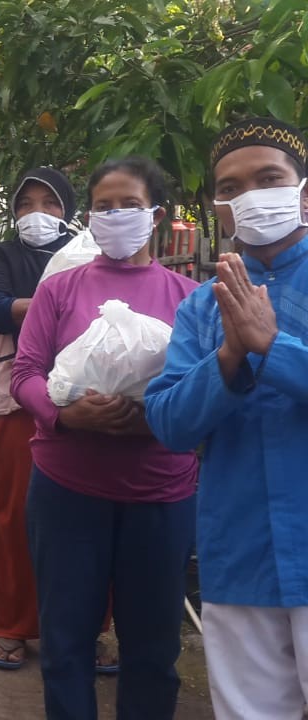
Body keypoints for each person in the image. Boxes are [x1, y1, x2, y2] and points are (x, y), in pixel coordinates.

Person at [12, 157, 199, 719]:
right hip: (68, 489)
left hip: (160, 493)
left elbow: (203, 391)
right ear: (90, 217)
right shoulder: (61, 289)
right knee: (66, 643)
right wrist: (68, 417)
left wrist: (152, 418)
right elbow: (26, 374)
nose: (116, 216)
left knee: (154, 649)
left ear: (157, 216)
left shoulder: (190, 297)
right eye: (105, 206)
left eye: (130, 205)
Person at [145, 117, 308, 720]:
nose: (250, 196)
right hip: (239, 552)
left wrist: (273, 346)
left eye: (268, 178)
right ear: (221, 209)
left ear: (302, 190)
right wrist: (230, 356)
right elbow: (168, 423)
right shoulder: (199, 309)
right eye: (231, 188)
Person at [0, 168, 99, 671]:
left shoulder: (90, 253)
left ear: (68, 209)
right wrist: (55, 304)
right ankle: (12, 624)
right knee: (13, 516)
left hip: (88, 402)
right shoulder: (3, 256)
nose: (37, 215)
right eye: (25, 204)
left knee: (89, 518)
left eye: (48, 203)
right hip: (18, 401)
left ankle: (92, 627)